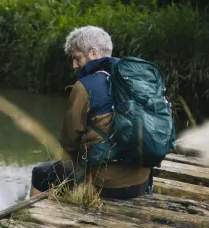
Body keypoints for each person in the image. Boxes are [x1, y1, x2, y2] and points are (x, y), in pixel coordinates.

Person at [29, 26, 152, 199]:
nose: (74, 65)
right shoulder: (136, 79)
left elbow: (69, 142)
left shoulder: (85, 86)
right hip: (142, 181)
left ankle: (32, 219)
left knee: (41, 174)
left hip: (106, 184)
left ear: (93, 53)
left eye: (77, 58)